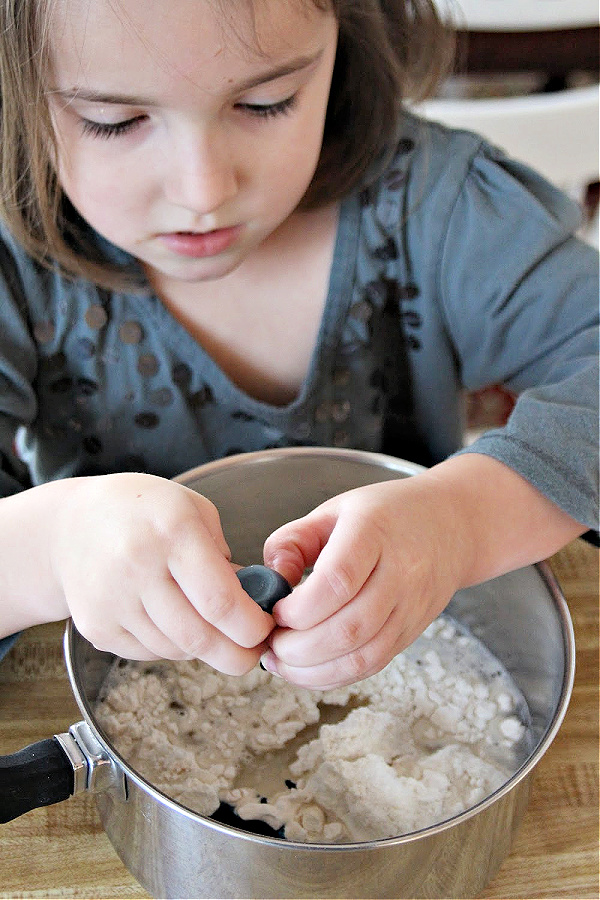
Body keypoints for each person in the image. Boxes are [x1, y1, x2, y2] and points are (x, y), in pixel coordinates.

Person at [0, 0, 597, 691]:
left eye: (265, 102)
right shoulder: (16, 267)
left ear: (349, 38)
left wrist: (463, 522)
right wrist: (47, 552)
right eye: (115, 120)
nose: (204, 190)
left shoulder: (435, 207)